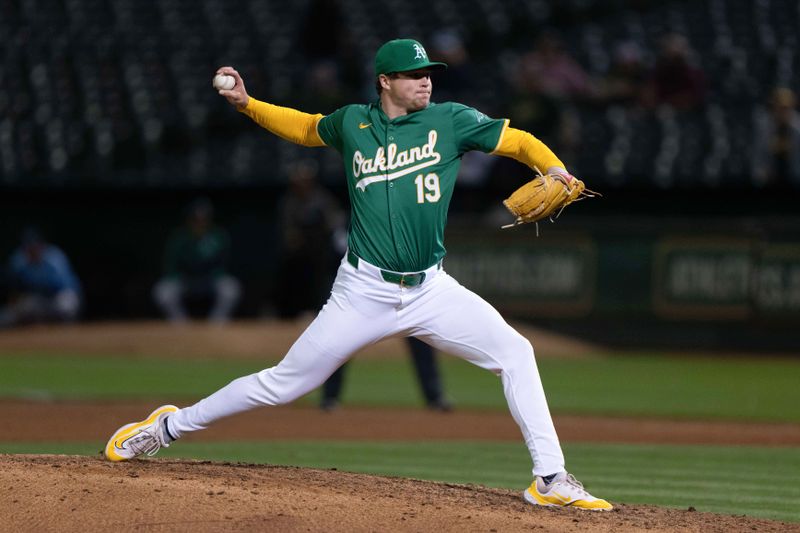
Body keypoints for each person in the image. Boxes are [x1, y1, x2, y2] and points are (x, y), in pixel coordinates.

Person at [105, 38, 612, 511]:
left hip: (431, 289)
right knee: (282, 384)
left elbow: (519, 140)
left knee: (516, 352)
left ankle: (550, 479)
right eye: (413, 75)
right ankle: (167, 427)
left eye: (428, 74)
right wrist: (246, 103)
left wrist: (557, 170)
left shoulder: (451, 121)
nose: (426, 82)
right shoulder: (353, 123)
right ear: (384, 81)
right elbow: (304, 127)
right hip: (363, 292)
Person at [152, 197, 241, 323]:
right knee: (162, 291)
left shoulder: (218, 236)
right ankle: (180, 323)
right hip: (185, 281)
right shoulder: (180, 238)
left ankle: (216, 323)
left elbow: (222, 265)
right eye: (196, 219)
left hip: (209, 281)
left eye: (204, 219)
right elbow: (170, 266)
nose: (200, 223)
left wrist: (209, 273)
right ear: (189, 219)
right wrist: (182, 274)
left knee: (231, 288)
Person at [321, 336, 452, 412]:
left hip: (405, 297)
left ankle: (435, 397)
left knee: (421, 339)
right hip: (371, 295)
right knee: (345, 339)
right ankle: (330, 396)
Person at [0, 228, 82, 327]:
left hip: (57, 297)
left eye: (34, 246)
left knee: (67, 304)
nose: (32, 249)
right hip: (37, 300)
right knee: (10, 313)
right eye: (28, 247)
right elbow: (10, 284)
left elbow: (63, 284)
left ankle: (66, 327)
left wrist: (35, 285)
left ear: (41, 245)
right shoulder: (19, 261)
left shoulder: (54, 257)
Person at [752, 87, 800, 189]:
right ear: (774, 108)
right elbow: (759, 154)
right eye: (780, 108)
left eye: (786, 108)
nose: (783, 112)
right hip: (771, 175)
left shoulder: (797, 128)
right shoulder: (765, 127)